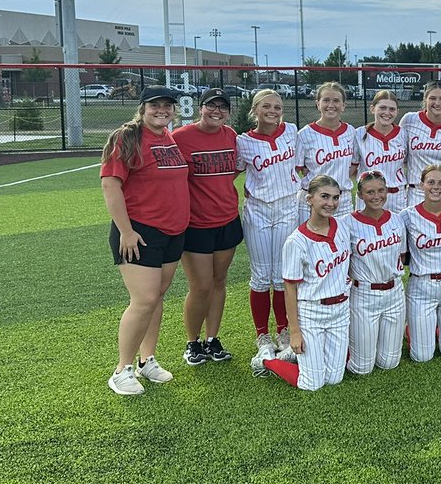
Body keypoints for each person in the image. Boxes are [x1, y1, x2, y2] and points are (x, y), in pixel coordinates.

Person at [100, 86, 190, 395]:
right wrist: (125, 230)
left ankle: (146, 360)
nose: (162, 110)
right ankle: (121, 369)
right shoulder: (126, 138)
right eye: (155, 105)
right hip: (140, 232)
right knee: (144, 300)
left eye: (168, 105)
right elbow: (110, 186)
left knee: (157, 296)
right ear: (143, 108)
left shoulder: (168, 137)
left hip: (173, 231)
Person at [262, 175, 352, 391]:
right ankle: (267, 360)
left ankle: (298, 356)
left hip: (340, 311)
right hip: (312, 313)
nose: (331, 203)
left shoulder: (342, 226)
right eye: (324, 197)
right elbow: (290, 288)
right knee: (312, 384)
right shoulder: (296, 241)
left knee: (334, 379)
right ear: (309, 199)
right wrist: (295, 331)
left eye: (335, 197)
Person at [173, 88, 242, 367]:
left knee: (218, 282)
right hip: (195, 224)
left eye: (222, 107)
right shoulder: (180, 137)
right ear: (200, 108)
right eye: (211, 106)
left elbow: (234, 171)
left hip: (227, 220)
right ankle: (192, 343)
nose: (217, 111)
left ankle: (212, 339)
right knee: (200, 286)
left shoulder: (232, 137)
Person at [236, 90, 300, 365]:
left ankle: (284, 331)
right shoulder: (244, 141)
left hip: (288, 205)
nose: (272, 111)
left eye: (277, 106)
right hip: (259, 209)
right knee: (261, 276)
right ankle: (262, 335)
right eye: (266, 106)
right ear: (255, 109)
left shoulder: (292, 131)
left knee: (283, 274)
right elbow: (233, 171)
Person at [342, 170, 408, 373]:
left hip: (394, 293)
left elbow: (403, 256)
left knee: (389, 363)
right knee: (363, 368)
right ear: (360, 195)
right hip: (364, 294)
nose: (376, 196)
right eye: (370, 192)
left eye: (381, 190)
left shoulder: (397, 220)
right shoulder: (347, 223)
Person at [402, 163, 441, 361]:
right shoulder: (407, 215)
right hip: (421, 286)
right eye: (430, 182)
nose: (436, 187)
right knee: (422, 356)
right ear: (421, 185)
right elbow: (403, 254)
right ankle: (412, 328)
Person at [296, 81, 356, 221]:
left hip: (342, 200)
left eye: (336, 100)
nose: (331, 105)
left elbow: (354, 164)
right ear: (318, 104)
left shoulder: (351, 132)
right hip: (312, 201)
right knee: (312, 242)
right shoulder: (304, 134)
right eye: (326, 100)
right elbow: (297, 169)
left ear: (343, 105)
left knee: (343, 241)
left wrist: (340, 177)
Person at [354, 90, 409, 214]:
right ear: (373, 109)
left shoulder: (403, 133)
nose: (387, 113)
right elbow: (351, 168)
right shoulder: (359, 134)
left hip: (397, 197)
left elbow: (407, 162)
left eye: (392, 109)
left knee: (397, 233)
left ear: (397, 112)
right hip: (368, 197)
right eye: (382, 108)